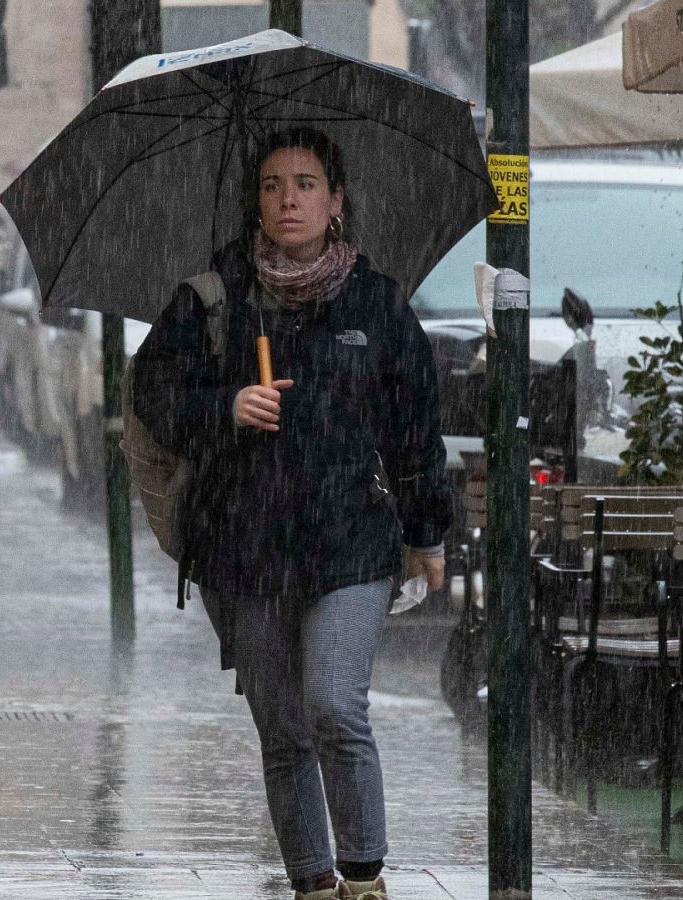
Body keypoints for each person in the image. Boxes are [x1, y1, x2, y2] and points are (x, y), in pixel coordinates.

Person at [130, 127, 450, 900]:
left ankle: (364, 878)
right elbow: (153, 397)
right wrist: (226, 405)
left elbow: (414, 423)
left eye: (306, 184)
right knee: (282, 731)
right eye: (272, 186)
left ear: (336, 201)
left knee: (335, 705)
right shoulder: (213, 298)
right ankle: (311, 884)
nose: (289, 200)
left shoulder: (375, 301)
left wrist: (428, 531)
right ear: (256, 202)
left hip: (351, 543)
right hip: (245, 547)